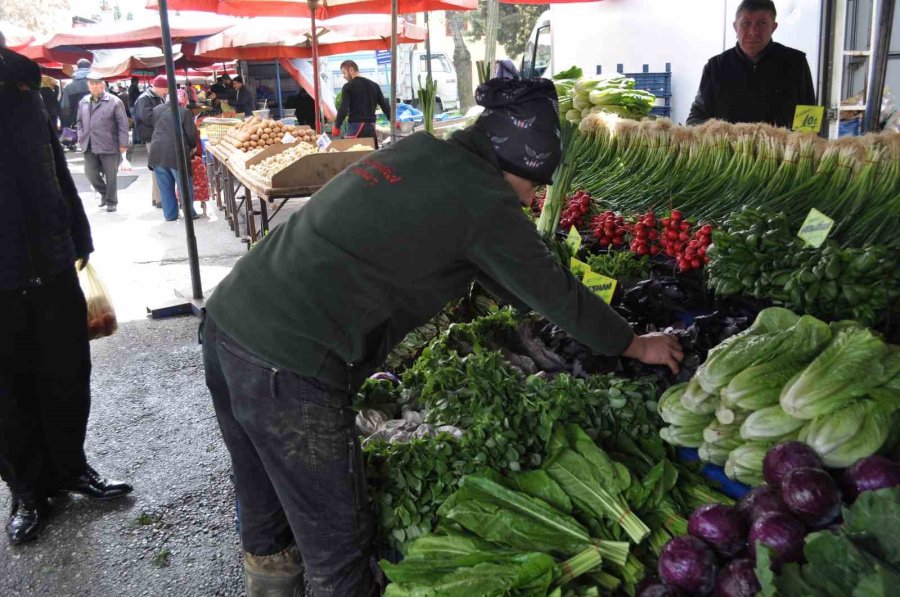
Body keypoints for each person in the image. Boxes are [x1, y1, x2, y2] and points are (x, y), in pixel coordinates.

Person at [202, 78, 683, 597]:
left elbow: (489, 271)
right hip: (289, 364)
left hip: (229, 321)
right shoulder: (485, 202)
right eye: (534, 184)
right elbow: (556, 294)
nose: (535, 196)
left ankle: (270, 585)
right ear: (519, 165)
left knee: (265, 511)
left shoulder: (423, 149)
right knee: (339, 553)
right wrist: (633, 343)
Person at [0, 41, 133, 547]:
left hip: (52, 262)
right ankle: (28, 490)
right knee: (8, 391)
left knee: (67, 374)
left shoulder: (25, 91)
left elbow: (55, 165)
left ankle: (71, 467)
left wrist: (78, 237)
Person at [687, 0, 816, 129]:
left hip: (782, 148)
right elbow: (696, 117)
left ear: (773, 27)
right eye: (746, 23)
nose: (753, 32)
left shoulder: (796, 63)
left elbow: (810, 120)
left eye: (762, 23)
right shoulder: (715, 67)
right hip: (726, 148)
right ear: (735, 27)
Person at [75, 71, 129, 212]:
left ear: (103, 85)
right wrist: (81, 136)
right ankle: (104, 193)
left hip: (109, 143)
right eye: (92, 84)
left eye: (98, 84)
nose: (95, 86)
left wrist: (123, 143)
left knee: (111, 175)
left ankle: (111, 201)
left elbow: (123, 124)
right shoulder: (84, 102)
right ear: (88, 86)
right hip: (89, 144)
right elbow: (79, 122)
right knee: (90, 172)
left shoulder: (114, 101)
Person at [148, 88, 199, 222]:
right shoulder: (184, 112)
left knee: (165, 186)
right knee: (184, 184)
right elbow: (190, 133)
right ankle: (189, 213)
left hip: (157, 152)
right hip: (177, 153)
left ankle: (170, 215)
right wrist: (193, 146)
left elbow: (156, 127)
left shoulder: (157, 109)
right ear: (183, 99)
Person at [332, 60, 391, 146]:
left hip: (355, 128)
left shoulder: (348, 86)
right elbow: (385, 105)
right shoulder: (374, 86)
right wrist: (393, 120)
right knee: (371, 155)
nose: (344, 76)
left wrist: (337, 126)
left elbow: (343, 109)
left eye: (344, 73)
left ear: (351, 70)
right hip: (370, 127)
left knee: (352, 155)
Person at [133, 75, 168, 207]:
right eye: (165, 89)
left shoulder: (156, 97)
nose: (166, 92)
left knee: (157, 168)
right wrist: (167, 117)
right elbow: (148, 118)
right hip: (152, 137)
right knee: (159, 168)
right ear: (159, 87)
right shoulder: (145, 99)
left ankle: (156, 198)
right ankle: (160, 199)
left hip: (156, 136)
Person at [60, 58, 91, 130]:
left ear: (77, 67)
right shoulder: (99, 83)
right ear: (89, 67)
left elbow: (65, 107)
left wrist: (66, 126)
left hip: (77, 122)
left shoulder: (68, 86)